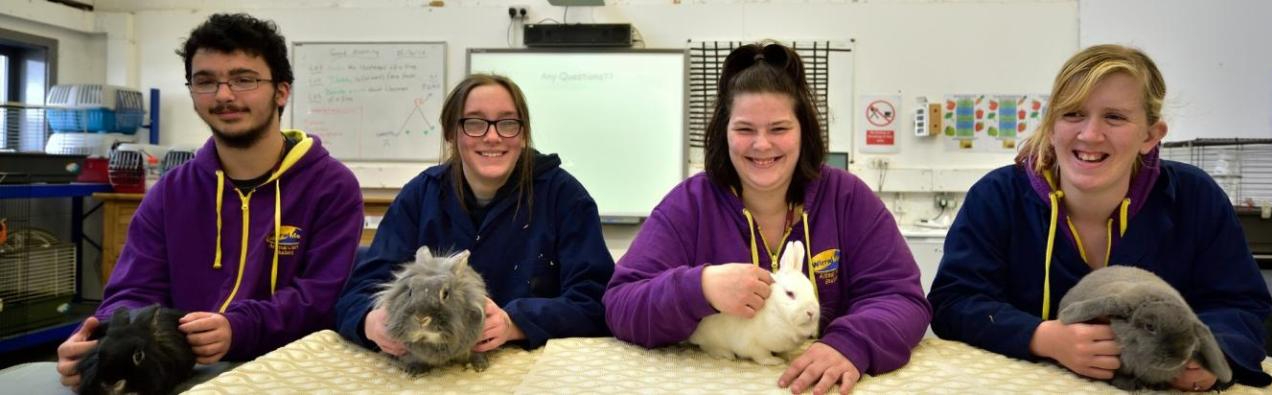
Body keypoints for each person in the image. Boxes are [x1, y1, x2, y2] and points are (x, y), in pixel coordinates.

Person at [927, 44, 1272, 391]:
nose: (1090, 134)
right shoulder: (997, 196)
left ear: (1151, 136)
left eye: (1115, 117)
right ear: (1051, 126)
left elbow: (1240, 304)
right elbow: (955, 301)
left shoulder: (1194, 197)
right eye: (1073, 114)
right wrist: (1042, 337)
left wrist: (1212, 357)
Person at [54, 12, 364, 389]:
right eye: (205, 81)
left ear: (281, 90)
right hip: (187, 376)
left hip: (293, 375)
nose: (223, 95)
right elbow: (134, 289)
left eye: (243, 79)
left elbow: (321, 298)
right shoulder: (169, 193)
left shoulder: (331, 186)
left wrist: (238, 328)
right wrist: (104, 340)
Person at [603, 42, 931, 395]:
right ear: (723, 132)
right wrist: (699, 288)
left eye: (778, 129)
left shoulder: (847, 198)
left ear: (803, 131)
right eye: (745, 129)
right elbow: (621, 305)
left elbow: (902, 297)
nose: (761, 145)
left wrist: (851, 343)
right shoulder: (690, 204)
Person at [334, 74, 614, 355]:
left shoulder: (564, 197)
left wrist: (515, 322)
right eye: (474, 123)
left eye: (507, 123)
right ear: (450, 133)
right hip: (430, 370)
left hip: (531, 367)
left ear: (523, 133)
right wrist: (370, 322)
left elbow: (595, 300)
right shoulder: (421, 195)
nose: (492, 137)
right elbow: (358, 293)